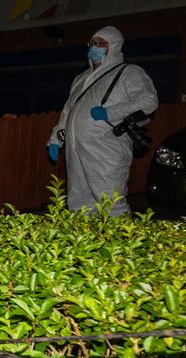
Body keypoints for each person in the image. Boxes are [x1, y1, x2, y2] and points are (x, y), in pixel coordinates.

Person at [46, 26, 158, 216]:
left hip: (106, 151)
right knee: (79, 204)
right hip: (76, 152)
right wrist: (56, 140)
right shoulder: (81, 79)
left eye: (101, 43)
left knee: (110, 204)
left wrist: (110, 113)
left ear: (113, 46)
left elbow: (149, 101)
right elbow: (68, 113)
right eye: (92, 43)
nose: (94, 47)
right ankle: (83, 244)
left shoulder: (128, 73)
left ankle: (119, 245)